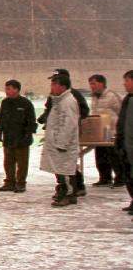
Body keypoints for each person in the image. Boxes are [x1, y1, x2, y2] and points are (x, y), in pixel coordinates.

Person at [37, 68, 90, 196]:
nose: (52, 86)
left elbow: (75, 117)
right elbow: (49, 108)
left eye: (55, 83)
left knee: (67, 165)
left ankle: (74, 188)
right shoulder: (55, 97)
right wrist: (46, 117)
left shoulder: (71, 97)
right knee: (58, 165)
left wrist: (63, 136)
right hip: (55, 134)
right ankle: (63, 187)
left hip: (65, 137)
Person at [40, 74, 81, 207]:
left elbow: (69, 124)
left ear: (62, 86)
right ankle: (63, 191)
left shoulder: (68, 102)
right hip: (57, 143)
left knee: (66, 170)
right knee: (60, 170)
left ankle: (70, 194)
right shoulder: (58, 101)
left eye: (54, 84)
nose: (51, 87)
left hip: (64, 145)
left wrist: (62, 142)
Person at [0, 79, 37, 192]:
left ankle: (21, 183)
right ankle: (9, 182)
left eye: (9, 88)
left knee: (22, 162)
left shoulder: (26, 103)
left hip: (21, 137)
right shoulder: (5, 102)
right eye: (6, 88)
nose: (6, 91)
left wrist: (28, 134)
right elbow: (1, 118)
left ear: (16, 89)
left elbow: (31, 121)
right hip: (8, 137)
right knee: (8, 161)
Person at [88, 74, 124, 187]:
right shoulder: (93, 97)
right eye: (90, 84)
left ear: (101, 83)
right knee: (100, 156)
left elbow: (121, 111)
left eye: (94, 83)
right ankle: (104, 177)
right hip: (99, 132)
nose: (91, 86)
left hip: (112, 132)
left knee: (114, 156)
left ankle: (120, 178)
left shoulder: (112, 96)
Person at [115, 70, 133, 213]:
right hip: (125, 143)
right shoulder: (128, 98)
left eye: (126, 81)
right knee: (128, 174)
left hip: (130, 144)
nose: (124, 84)